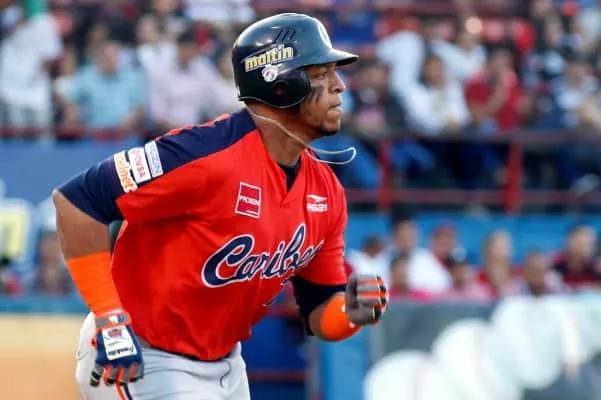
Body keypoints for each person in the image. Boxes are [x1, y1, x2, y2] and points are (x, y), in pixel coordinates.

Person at [52, 13, 388, 400]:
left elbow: (318, 308)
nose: (339, 86)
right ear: (280, 83)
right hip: (143, 355)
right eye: (321, 74)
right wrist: (110, 318)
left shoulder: (325, 191)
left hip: (226, 364)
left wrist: (349, 312)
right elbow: (77, 201)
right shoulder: (203, 154)